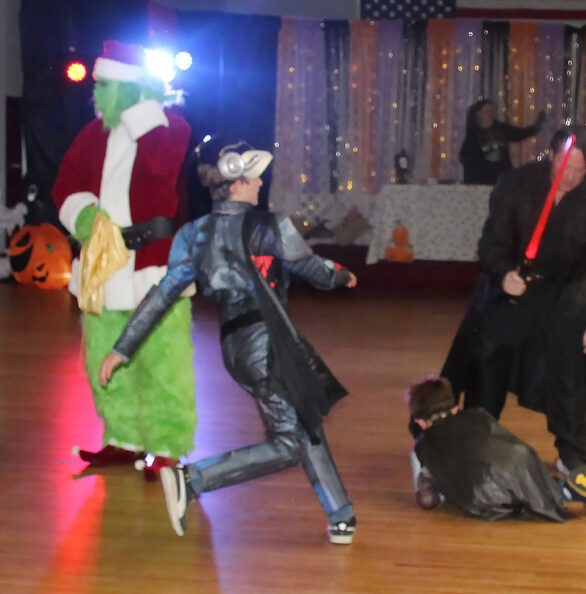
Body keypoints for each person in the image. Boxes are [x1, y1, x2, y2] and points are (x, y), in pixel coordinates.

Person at [97, 137, 360, 545]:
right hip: (268, 345)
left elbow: (162, 294)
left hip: (235, 349)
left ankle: (341, 514)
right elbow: (315, 271)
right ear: (236, 181)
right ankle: (194, 478)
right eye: (255, 176)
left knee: (302, 419)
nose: (261, 183)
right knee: (289, 443)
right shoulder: (270, 226)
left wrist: (121, 347)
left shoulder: (193, 234)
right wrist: (343, 275)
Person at [441, 126, 586, 515]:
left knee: (570, 376)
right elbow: (491, 243)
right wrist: (503, 273)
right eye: (564, 166)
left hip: (564, 297)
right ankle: (475, 448)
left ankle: (574, 460)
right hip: (514, 291)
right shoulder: (516, 184)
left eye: (579, 171)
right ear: (551, 155)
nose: (570, 177)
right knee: (487, 362)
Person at [52, 40, 196, 480]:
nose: (96, 92)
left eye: (106, 84)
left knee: (162, 358)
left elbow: (160, 168)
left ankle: (166, 445)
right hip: (102, 263)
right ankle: (123, 437)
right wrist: (83, 214)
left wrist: (141, 113)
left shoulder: (169, 128)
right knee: (102, 354)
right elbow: (65, 185)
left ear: (130, 88)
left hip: (153, 261)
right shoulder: (90, 135)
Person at [407, 377, 586, 521]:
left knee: (508, 500)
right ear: (455, 409)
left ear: (419, 422)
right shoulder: (477, 415)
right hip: (517, 461)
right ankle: (564, 489)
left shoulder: (422, 448)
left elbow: (427, 500)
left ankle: (562, 493)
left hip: (484, 494)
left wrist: (442, 492)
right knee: (529, 477)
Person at [459, 99, 546, 185]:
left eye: (492, 111)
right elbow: (465, 158)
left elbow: (519, 133)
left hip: (502, 178)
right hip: (483, 180)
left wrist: (535, 127)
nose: (490, 114)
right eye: (487, 111)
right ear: (478, 114)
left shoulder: (501, 129)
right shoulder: (473, 136)